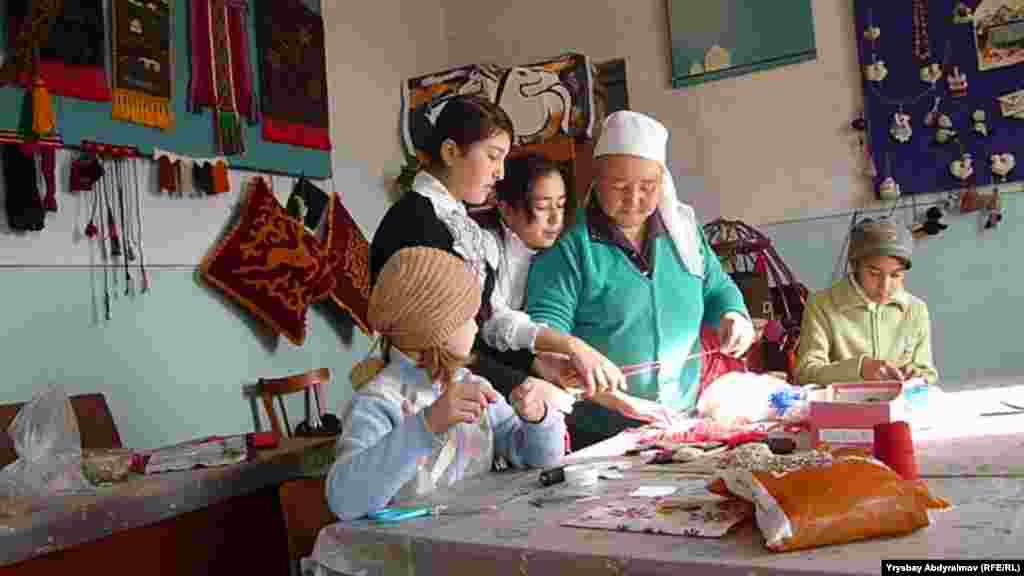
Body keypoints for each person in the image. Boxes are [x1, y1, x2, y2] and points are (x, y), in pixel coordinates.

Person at [370, 95, 622, 410]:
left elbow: (490, 320)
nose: (500, 173)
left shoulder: (460, 223)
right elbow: (435, 345)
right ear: (451, 152)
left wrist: (542, 361)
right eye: (493, 156)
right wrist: (524, 380)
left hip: (467, 378)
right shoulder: (414, 224)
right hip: (427, 394)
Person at [525, 110, 756, 450]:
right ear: (596, 178)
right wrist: (608, 396)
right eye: (620, 186)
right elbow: (545, 340)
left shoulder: (684, 236)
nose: (634, 198)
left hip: (682, 416)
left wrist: (734, 315)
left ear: (662, 183)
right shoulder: (571, 248)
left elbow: (718, 289)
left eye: (647, 187)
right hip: (603, 425)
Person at [326, 247, 565, 521]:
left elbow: (543, 460)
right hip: (408, 558)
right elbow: (343, 501)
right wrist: (427, 424)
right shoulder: (379, 402)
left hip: (478, 544)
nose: (476, 328)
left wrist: (538, 420)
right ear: (434, 329)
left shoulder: (470, 384)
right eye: (468, 319)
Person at [476, 152, 677, 427]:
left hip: (526, 371)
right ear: (506, 208)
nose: (555, 219)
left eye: (560, 205)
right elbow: (496, 326)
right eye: (542, 206)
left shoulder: (547, 249)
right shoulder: (483, 246)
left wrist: (618, 400)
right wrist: (573, 347)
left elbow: (540, 359)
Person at [796, 218, 938, 385]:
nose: (885, 286)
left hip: (900, 406)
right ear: (855, 266)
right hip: (844, 408)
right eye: (874, 273)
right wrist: (859, 369)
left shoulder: (916, 309)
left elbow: (928, 373)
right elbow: (806, 373)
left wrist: (918, 375)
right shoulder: (822, 305)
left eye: (895, 275)